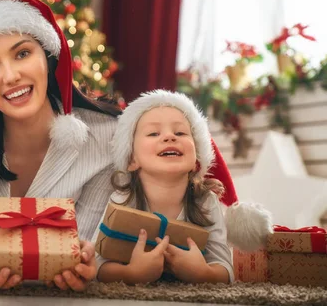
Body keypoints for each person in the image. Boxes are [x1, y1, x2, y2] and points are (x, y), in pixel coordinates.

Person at [0, 0, 122, 292]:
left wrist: (89, 260)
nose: (11, 76)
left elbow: (89, 241)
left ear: (47, 58)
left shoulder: (106, 137)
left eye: (22, 54)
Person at [97, 89, 270, 284]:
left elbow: (225, 269)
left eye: (180, 132)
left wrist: (203, 274)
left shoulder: (206, 202)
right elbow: (98, 265)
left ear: (196, 158)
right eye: (154, 133)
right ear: (131, 159)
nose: (170, 137)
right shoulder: (122, 200)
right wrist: (131, 274)